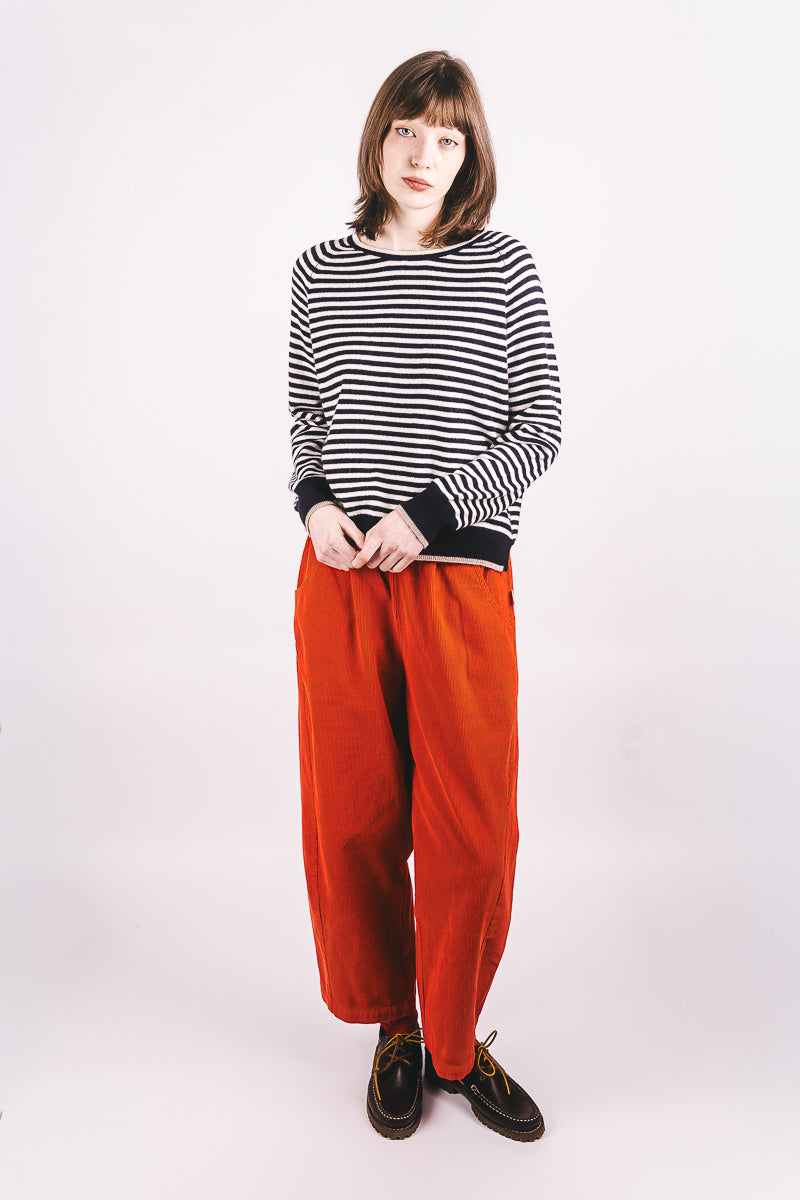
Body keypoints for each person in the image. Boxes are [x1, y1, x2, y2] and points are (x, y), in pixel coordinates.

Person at [287, 49, 561, 1141]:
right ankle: (394, 1028)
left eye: (446, 137)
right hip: (341, 581)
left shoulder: (504, 266)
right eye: (407, 129)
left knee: (470, 824)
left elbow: (538, 428)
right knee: (354, 816)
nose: (422, 154)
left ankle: (456, 1038)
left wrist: (432, 515)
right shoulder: (318, 269)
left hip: (456, 580)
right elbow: (308, 418)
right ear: (379, 137)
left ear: (468, 155)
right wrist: (314, 503)